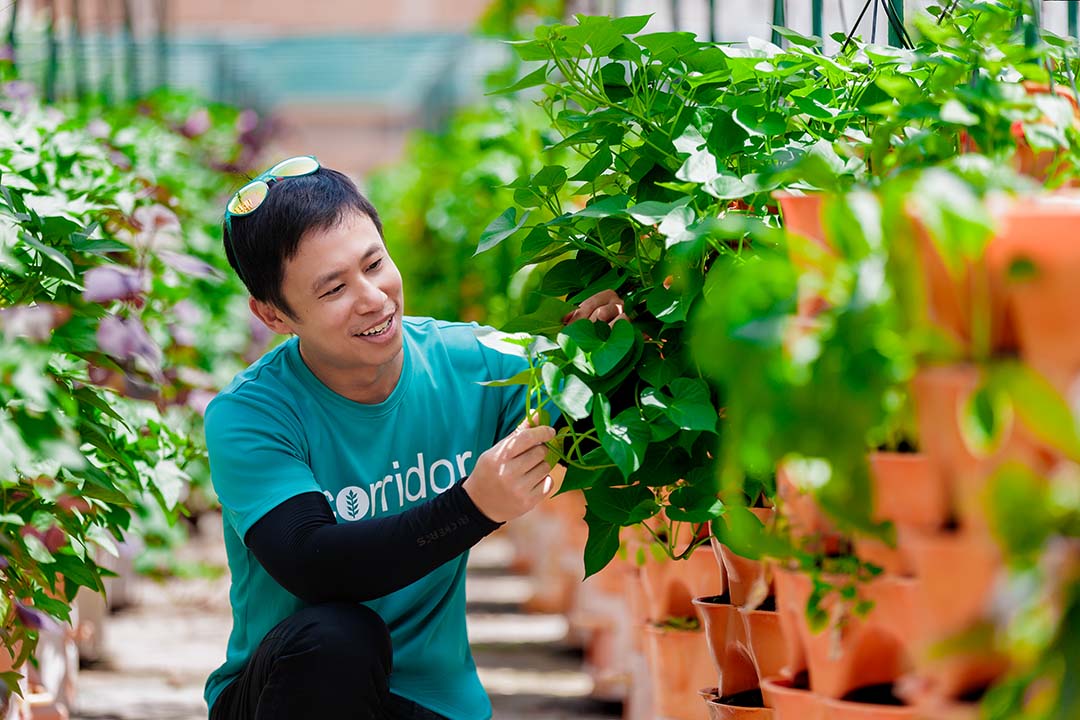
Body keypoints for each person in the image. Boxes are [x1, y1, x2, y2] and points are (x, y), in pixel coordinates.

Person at [203, 156, 626, 720]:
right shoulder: (252, 414)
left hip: (429, 701)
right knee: (337, 636)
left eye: (374, 263)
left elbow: (584, 418)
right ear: (273, 315)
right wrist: (474, 507)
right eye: (332, 290)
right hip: (290, 694)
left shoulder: (475, 361)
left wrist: (604, 348)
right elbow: (314, 563)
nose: (373, 298)